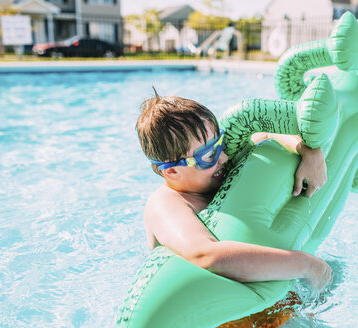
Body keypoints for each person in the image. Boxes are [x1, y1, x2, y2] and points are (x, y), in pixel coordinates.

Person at [135, 91, 333, 292]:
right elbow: (204, 255)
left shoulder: (213, 173)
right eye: (209, 155)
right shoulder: (165, 204)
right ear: (171, 170)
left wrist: (307, 150)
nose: (224, 158)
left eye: (220, 143)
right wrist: (305, 265)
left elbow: (264, 136)